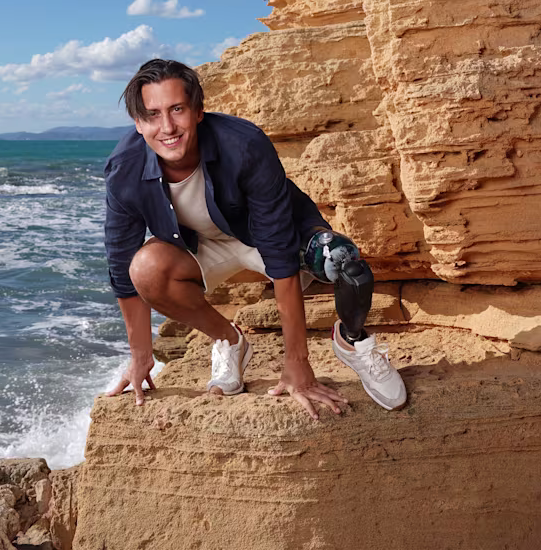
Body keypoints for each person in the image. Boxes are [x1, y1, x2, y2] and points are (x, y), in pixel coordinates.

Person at [104, 59, 406, 418]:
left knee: (341, 260)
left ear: (198, 111)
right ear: (138, 124)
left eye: (177, 109)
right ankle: (229, 341)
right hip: (202, 246)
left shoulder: (243, 145)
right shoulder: (124, 170)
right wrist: (141, 356)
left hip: (270, 237)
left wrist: (297, 363)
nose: (167, 127)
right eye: (152, 115)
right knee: (145, 269)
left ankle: (352, 342)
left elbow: (278, 251)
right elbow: (121, 266)